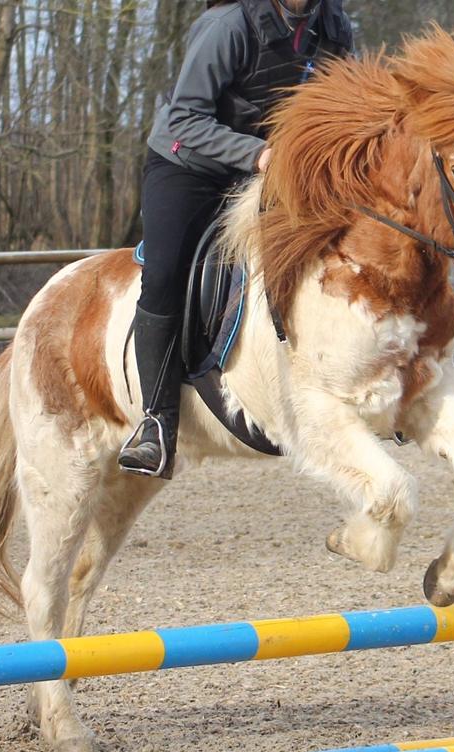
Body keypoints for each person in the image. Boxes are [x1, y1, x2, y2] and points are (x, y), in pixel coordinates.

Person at [118, 0, 354, 478]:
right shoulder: (226, 27)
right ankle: (156, 423)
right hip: (191, 165)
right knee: (164, 273)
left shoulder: (335, 28)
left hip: (271, 169)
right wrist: (258, 153)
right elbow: (185, 119)